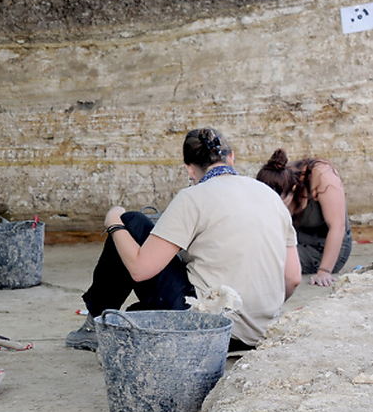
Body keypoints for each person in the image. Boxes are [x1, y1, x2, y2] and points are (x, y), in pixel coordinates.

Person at [66, 127, 301, 353]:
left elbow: (139, 270)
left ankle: (93, 324)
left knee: (132, 222)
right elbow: (292, 278)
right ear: (231, 157)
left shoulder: (194, 197)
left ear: (190, 169)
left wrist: (114, 222)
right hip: (260, 332)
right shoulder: (270, 196)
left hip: (208, 329)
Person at [256, 149, 352, 287]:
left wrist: (324, 271)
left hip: (327, 246)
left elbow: (338, 226)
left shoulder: (322, 175)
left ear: (293, 189)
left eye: (280, 202)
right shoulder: (278, 177)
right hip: (297, 240)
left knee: (268, 262)